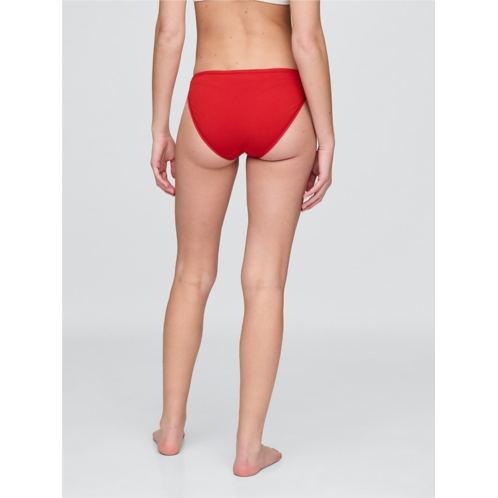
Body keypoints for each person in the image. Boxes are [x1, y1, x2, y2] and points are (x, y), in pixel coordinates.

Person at [150, 0, 335, 478]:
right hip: (281, 99)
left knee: (190, 275)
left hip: (211, 97)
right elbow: (307, 41)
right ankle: (249, 449)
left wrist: (159, 127)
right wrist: (327, 137)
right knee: (265, 282)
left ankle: (170, 429)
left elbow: (170, 32)